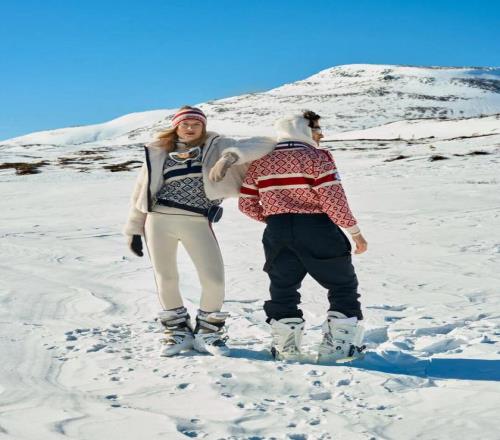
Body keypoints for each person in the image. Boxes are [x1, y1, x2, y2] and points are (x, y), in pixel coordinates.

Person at [124, 106, 274, 357]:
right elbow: (141, 192)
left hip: (198, 220)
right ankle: (178, 333)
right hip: (158, 220)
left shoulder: (217, 145)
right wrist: (134, 229)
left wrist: (229, 157)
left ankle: (208, 333)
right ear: (176, 127)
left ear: (204, 127)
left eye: (196, 124)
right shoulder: (159, 151)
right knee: (166, 278)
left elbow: (266, 144)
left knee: (213, 280)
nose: (190, 128)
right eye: (185, 124)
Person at [238, 110, 368, 361]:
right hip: (317, 228)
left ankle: (287, 349)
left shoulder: (260, 161)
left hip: (277, 231)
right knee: (342, 285)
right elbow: (333, 201)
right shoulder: (317, 158)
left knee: (283, 287)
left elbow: (246, 204)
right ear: (303, 129)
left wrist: (274, 219)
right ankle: (338, 348)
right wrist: (355, 233)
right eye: (316, 129)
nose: (321, 134)